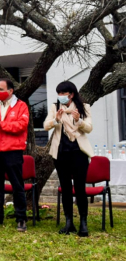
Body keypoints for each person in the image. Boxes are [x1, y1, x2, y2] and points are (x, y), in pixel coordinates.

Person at [0, 78, 30, 232]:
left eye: (1, 89)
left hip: (13, 151)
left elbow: (21, 126)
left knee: (17, 186)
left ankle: (21, 219)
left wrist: (1, 124)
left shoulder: (21, 106)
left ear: (10, 91)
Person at [44, 81, 93, 237]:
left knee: (80, 188)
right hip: (61, 153)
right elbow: (46, 125)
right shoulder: (55, 107)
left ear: (71, 94)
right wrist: (56, 120)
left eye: (63, 93)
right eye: (59, 93)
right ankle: (69, 223)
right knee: (65, 188)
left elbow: (89, 128)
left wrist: (79, 120)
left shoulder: (84, 107)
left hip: (79, 152)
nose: (60, 96)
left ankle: (83, 224)